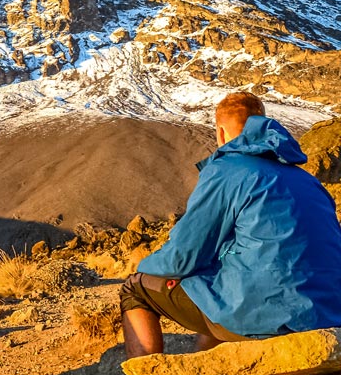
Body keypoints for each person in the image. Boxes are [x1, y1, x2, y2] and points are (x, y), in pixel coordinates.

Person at [120, 91, 341, 358]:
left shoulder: (228, 170)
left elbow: (182, 257)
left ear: (221, 134)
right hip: (325, 314)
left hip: (265, 316)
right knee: (215, 281)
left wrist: (144, 270)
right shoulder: (308, 181)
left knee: (135, 288)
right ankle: (206, 364)